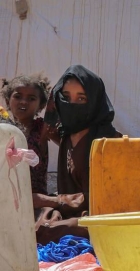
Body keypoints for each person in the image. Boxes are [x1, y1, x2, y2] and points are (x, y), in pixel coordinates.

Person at [35, 65, 121, 244]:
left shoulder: (109, 141)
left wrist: (53, 201)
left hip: (101, 217)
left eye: (81, 98)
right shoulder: (66, 135)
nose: (71, 105)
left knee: (47, 231)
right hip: (69, 212)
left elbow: (112, 198)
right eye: (65, 98)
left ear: (94, 102)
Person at [2, 74, 52, 207]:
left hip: (36, 200)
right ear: (7, 101)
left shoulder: (42, 129)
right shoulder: (3, 129)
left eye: (31, 98)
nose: (23, 102)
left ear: (40, 105)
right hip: (7, 198)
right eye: (18, 96)